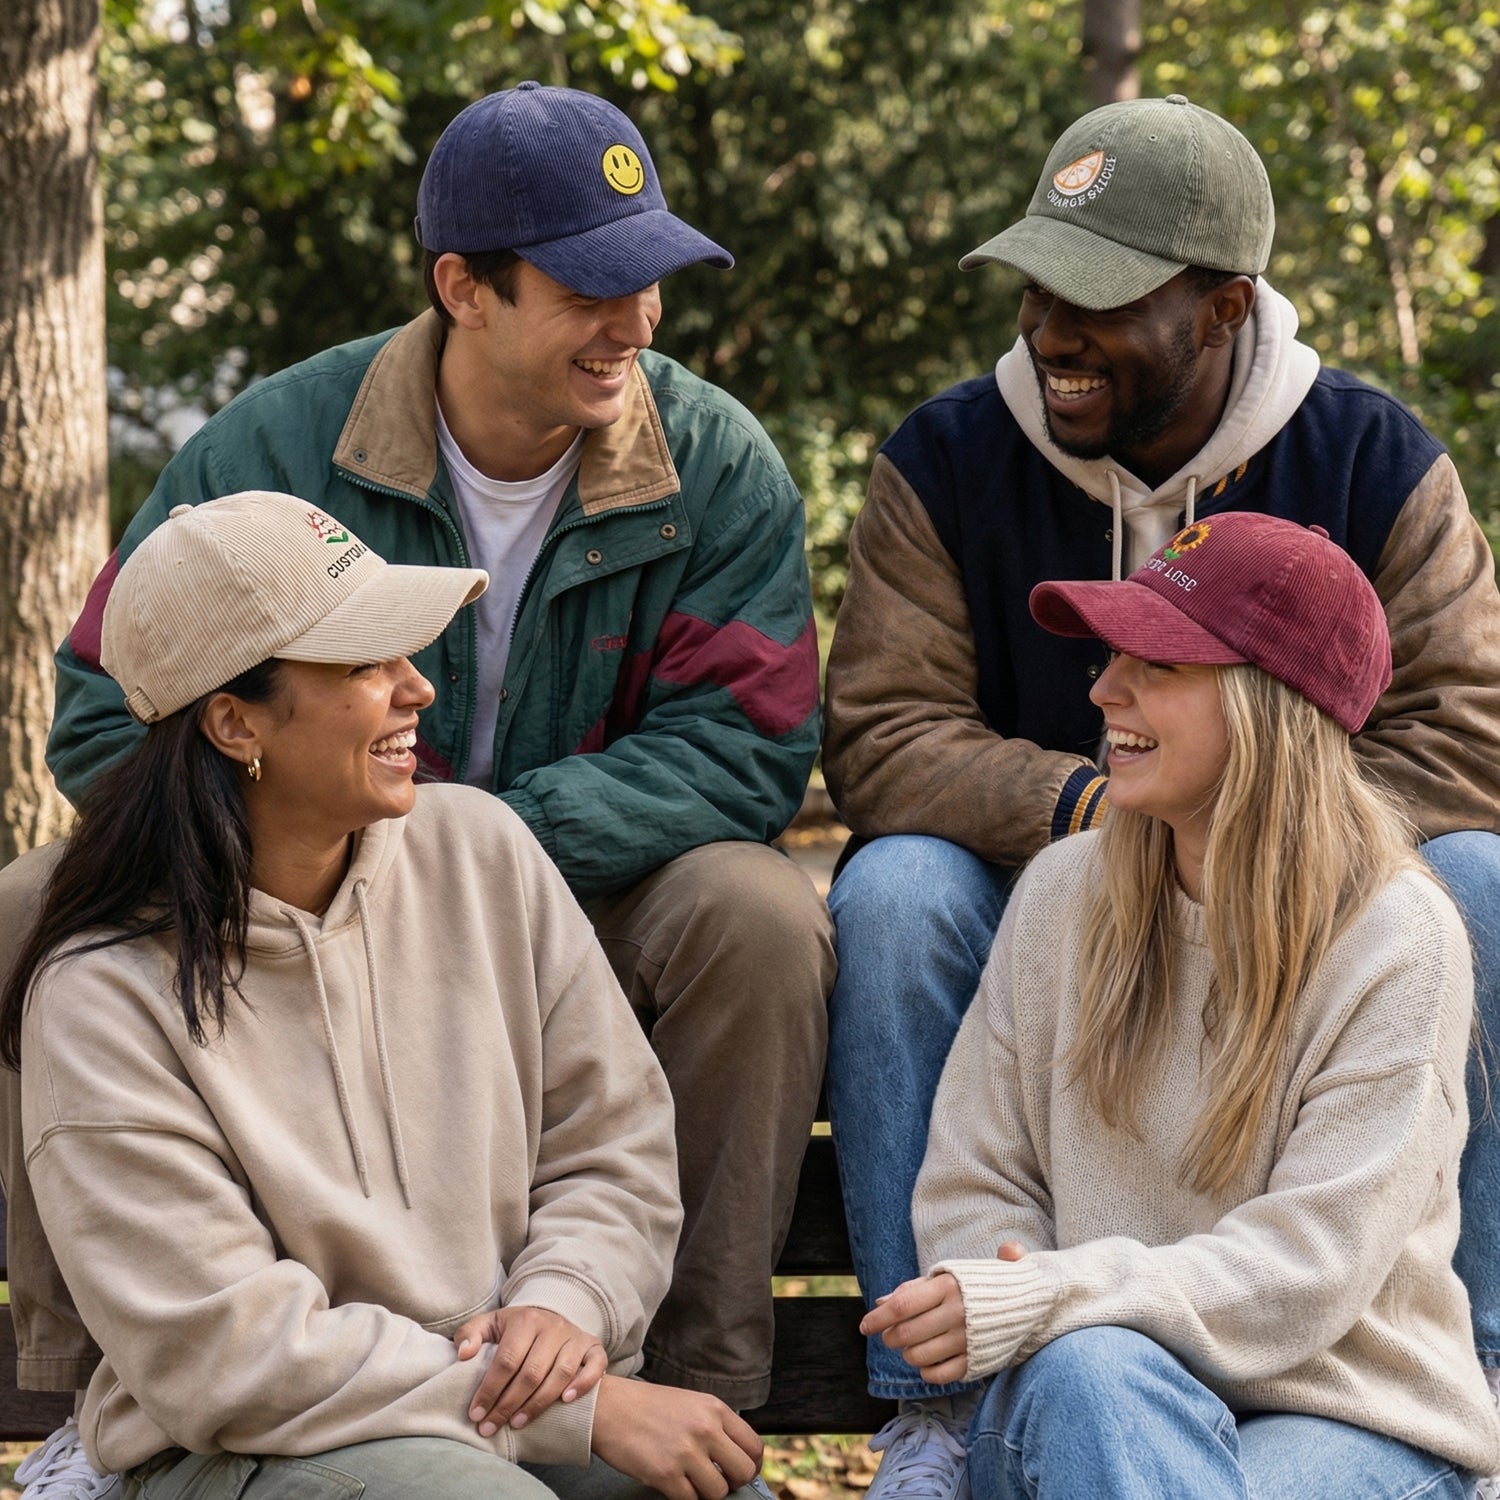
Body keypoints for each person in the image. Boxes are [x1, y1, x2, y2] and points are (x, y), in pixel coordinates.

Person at [15, 79, 833, 1500]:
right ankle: (90, 1408)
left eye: (654, 284)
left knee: (759, 915)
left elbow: (751, 744)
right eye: (593, 287)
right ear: (465, 287)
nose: (637, 325)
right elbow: (109, 706)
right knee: (35, 908)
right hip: (289, 859)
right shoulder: (269, 449)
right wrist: (330, 837)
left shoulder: (715, 463)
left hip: (575, 874)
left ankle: (685, 1386)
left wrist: (471, 838)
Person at [822, 93, 1500, 1500]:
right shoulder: (946, 458)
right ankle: (933, 1401)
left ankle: (1470, 1365)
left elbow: (1470, 731)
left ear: (1223, 307)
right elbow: (887, 731)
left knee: (1481, 884)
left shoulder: (1375, 461)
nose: (1051, 329)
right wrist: (1106, 815)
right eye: (1037, 284)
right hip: (1044, 862)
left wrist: (1259, 840)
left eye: (1102, 296)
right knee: (892, 887)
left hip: (1317, 903)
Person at [1, 490, 772, 1500]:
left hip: (499, 1404)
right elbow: (233, 1356)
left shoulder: (481, 850)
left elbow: (611, 1140)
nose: (416, 689)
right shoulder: (103, 993)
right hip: (249, 1452)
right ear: (235, 723)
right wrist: (575, 1408)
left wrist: (565, 1304)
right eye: (366, 662)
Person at [861, 511, 1500, 1498]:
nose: (1102, 688)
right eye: (1113, 656)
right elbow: (974, 1186)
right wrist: (1072, 1318)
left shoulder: (1393, 936)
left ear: (1269, 705)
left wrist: (1056, 1293)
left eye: (1155, 664)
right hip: (1083, 1406)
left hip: (1347, 1417)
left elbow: (1309, 1268)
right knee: (1099, 1381)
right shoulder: (1064, 893)